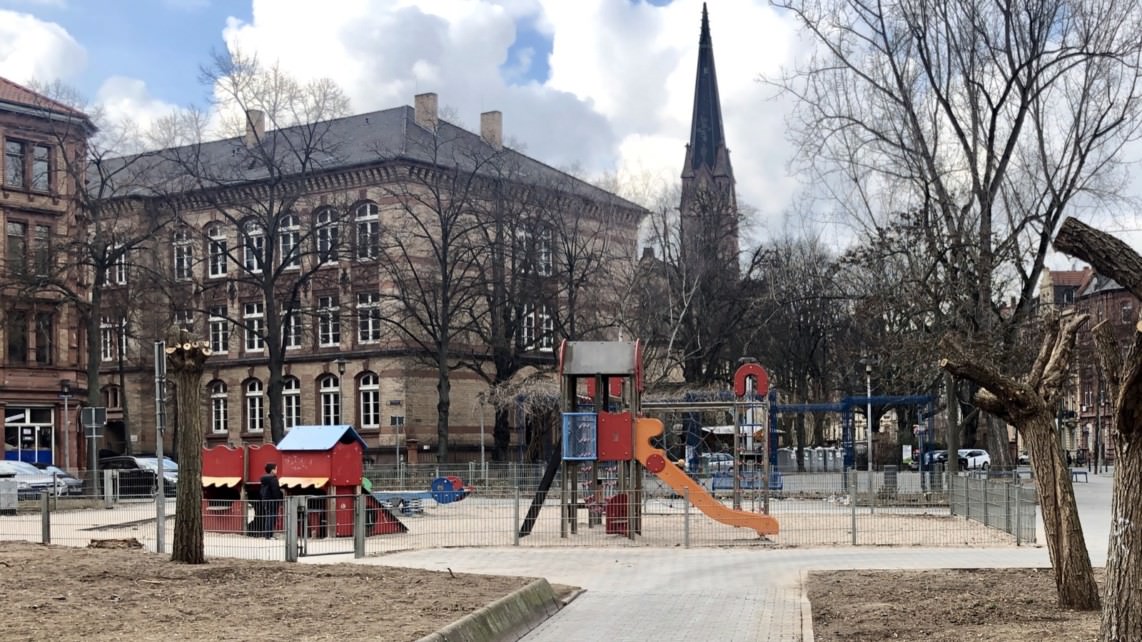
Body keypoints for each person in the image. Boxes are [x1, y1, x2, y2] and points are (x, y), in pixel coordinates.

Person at [258, 463, 284, 539]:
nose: (277, 470)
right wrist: (279, 499)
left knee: (268, 517)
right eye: (276, 469)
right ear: (272, 470)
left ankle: (267, 535)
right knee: (272, 517)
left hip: (266, 500)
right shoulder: (273, 479)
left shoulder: (264, 479)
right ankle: (269, 535)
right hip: (273, 500)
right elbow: (275, 491)